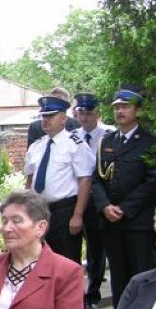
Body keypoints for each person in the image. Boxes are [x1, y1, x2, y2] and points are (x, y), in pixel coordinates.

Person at [90, 86, 156, 309]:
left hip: (137, 222)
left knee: (141, 274)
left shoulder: (150, 143)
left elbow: (152, 183)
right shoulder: (107, 141)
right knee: (118, 277)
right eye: (117, 107)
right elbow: (96, 179)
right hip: (111, 222)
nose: (120, 111)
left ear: (137, 111)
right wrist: (104, 207)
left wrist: (124, 209)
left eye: (125, 107)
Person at [24, 94, 94, 263]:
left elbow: (85, 180)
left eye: (51, 115)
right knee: (39, 262)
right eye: (43, 116)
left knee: (66, 261)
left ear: (63, 118)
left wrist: (77, 215)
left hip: (64, 211)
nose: (46, 120)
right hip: (39, 211)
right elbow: (29, 180)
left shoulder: (75, 144)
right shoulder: (37, 146)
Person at [73, 93, 113, 309]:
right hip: (79, 199)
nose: (84, 117)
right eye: (81, 112)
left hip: (99, 200)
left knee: (97, 249)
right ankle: (74, 295)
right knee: (74, 248)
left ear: (98, 114)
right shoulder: (72, 137)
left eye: (89, 113)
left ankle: (93, 295)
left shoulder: (108, 135)